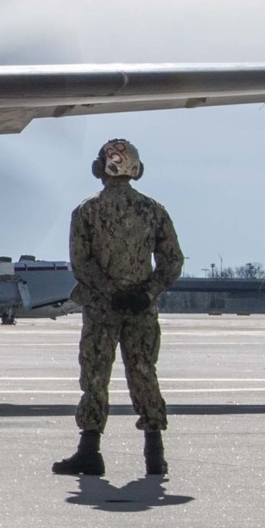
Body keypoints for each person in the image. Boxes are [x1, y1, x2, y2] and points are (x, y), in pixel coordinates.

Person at [53, 139, 183, 478]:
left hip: (101, 309)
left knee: (96, 376)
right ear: (135, 169)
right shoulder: (154, 210)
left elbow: (81, 264)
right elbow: (172, 261)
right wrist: (147, 291)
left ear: (101, 169)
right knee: (143, 372)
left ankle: (89, 451)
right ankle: (154, 454)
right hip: (142, 309)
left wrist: (110, 292)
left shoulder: (86, 211)